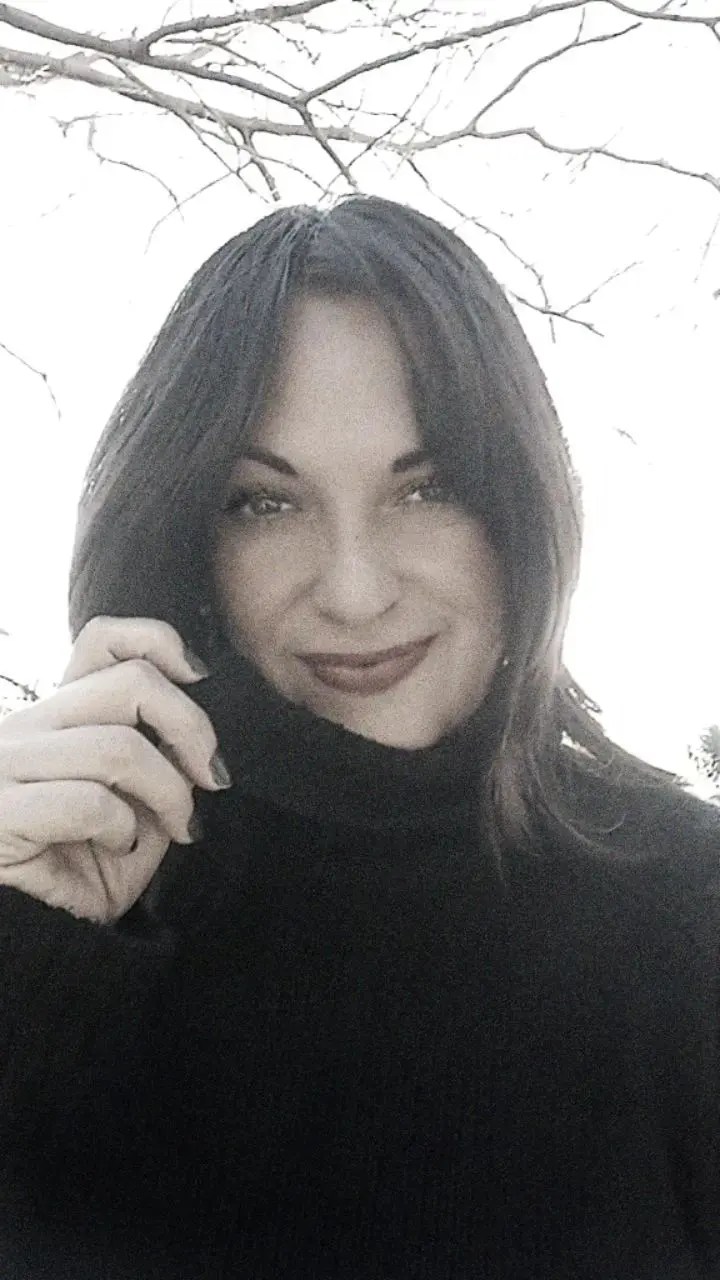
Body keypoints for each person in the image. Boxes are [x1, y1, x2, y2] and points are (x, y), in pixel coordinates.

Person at [0, 195, 717, 1280]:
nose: (354, 589)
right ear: (188, 532)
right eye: (265, 503)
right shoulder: (75, 898)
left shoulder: (688, 913)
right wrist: (28, 958)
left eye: (428, 488)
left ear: (520, 507)